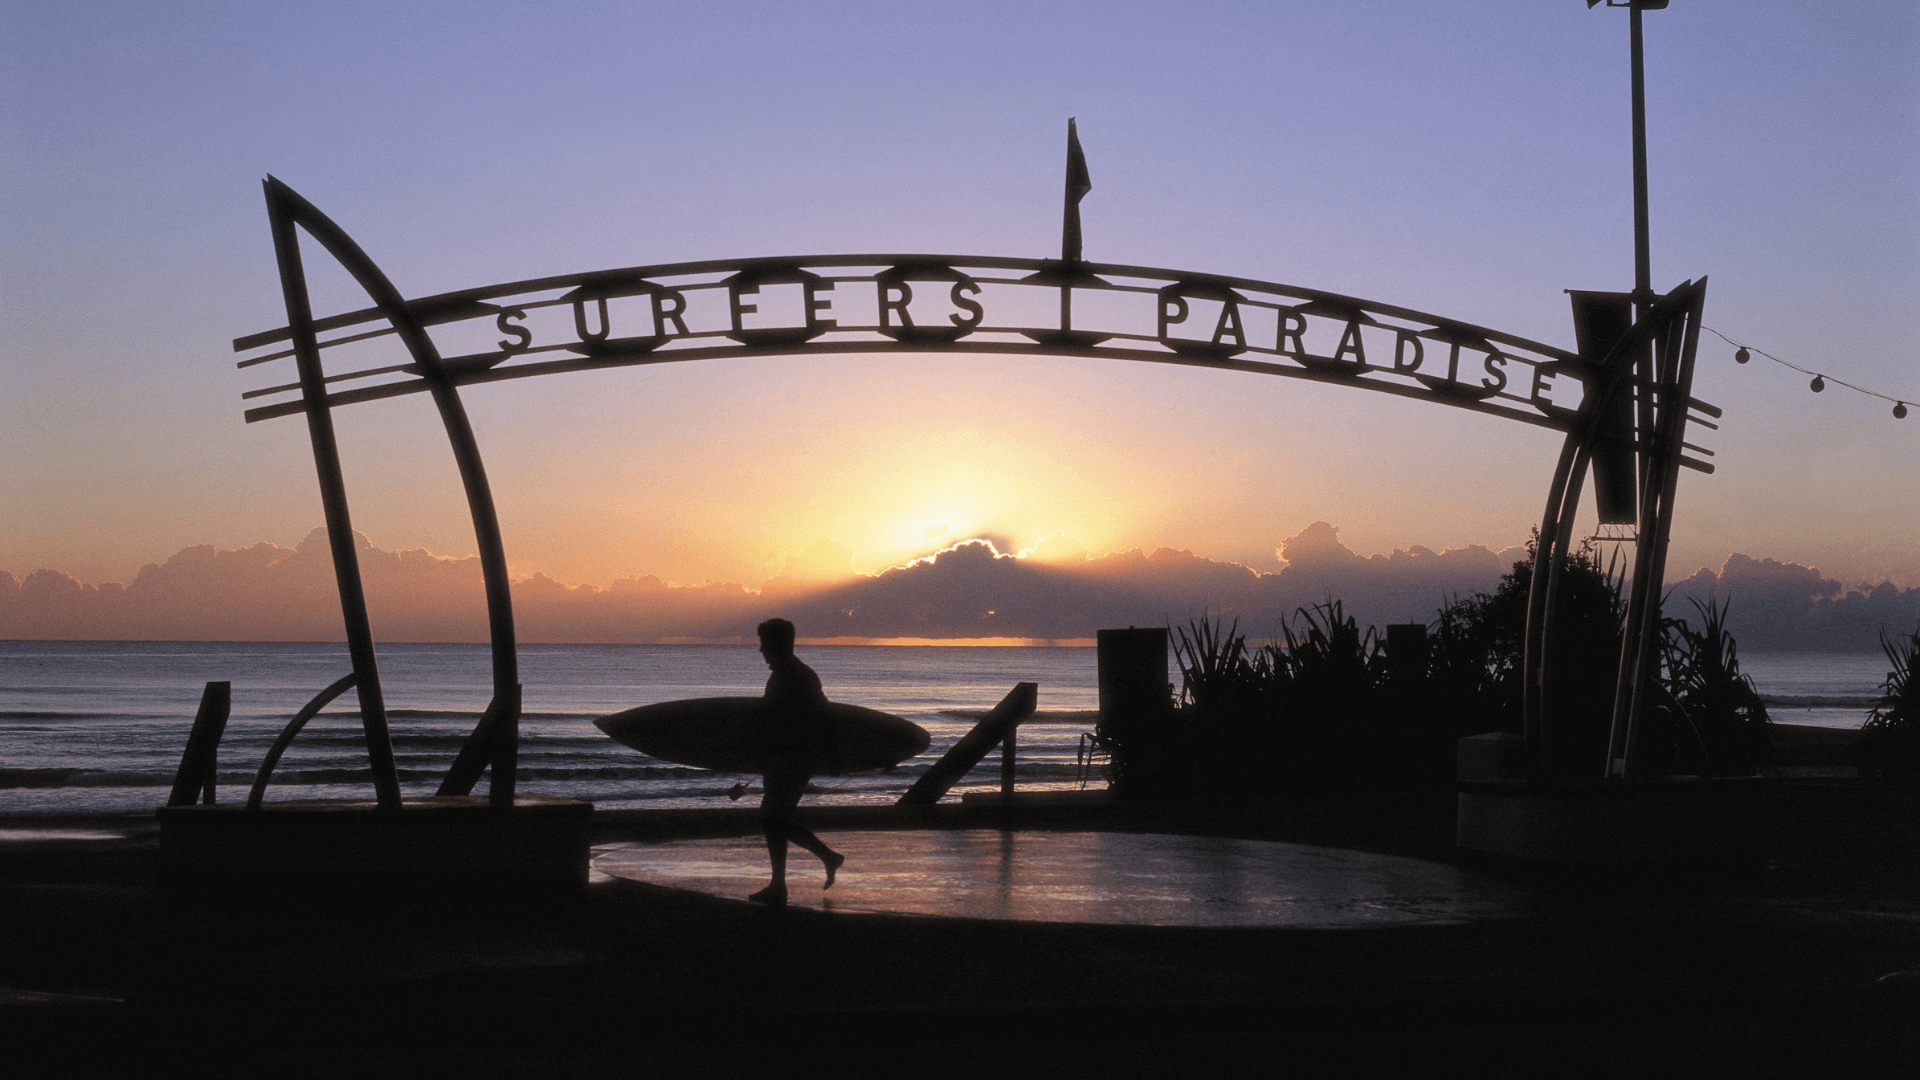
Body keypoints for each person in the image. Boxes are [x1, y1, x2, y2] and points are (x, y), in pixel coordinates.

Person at [748, 618, 844, 906]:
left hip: (795, 758)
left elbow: (824, 716)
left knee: (773, 818)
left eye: (764, 643)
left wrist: (834, 755)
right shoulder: (784, 675)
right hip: (782, 757)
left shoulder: (797, 676)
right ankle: (784, 882)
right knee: (776, 819)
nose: (761, 650)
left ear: (780, 644)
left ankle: (790, 879)